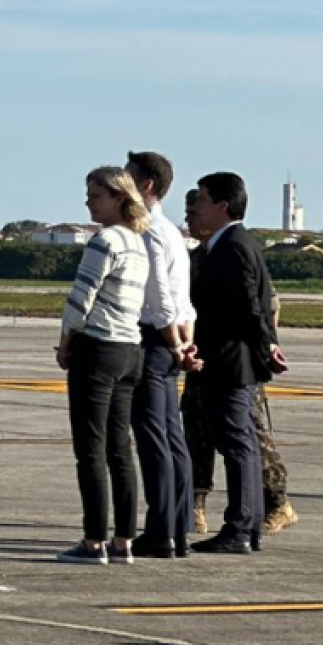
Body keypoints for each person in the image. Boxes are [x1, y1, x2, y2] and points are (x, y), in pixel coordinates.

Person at [184, 186, 297, 537]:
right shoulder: (198, 256)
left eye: (196, 210)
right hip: (204, 360)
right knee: (196, 432)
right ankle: (196, 502)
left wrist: (264, 349)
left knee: (249, 436)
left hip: (236, 362)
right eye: (187, 214)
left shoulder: (234, 249)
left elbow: (264, 307)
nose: (191, 218)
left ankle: (274, 503)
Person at [54, 166, 152, 565]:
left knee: (90, 449)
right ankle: (124, 539)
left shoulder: (105, 240)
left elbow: (82, 297)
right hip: (130, 349)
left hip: (97, 347)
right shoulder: (137, 242)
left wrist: (65, 341)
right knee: (119, 449)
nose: (89, 202)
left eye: (95, 196)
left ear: (117, 197)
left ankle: (94, 540)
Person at [125, 151, 196, 558]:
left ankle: (161, 531)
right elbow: (185, 304)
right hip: (172, 343)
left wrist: (172, 343)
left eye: (129, 175)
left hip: (154, 342)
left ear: (147, 184)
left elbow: (164, 302)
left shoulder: (150, 231)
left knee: (155, 444)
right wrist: (186, 344)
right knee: (172, 439)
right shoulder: (170, 231)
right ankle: (177, 528)